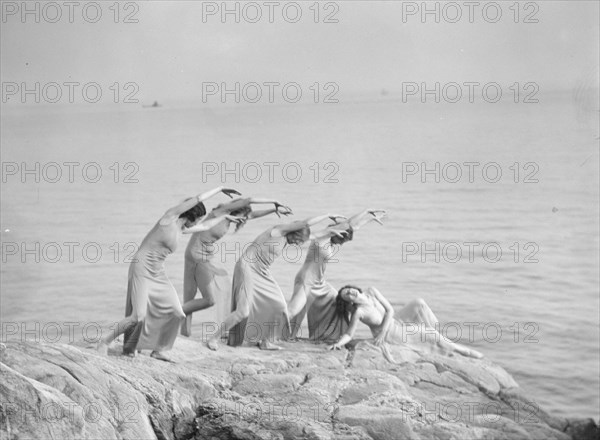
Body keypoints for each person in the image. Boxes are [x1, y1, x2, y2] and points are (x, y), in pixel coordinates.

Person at [97, 186, 240, 361]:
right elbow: (197, 198)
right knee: (138, 315)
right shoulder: (169, 218)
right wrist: (219, 189)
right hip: (142, 267)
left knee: (177, 312)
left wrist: (225, 216)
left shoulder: (182, 229)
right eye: (197, 219)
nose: (197, 223)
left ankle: (159, 349)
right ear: (190, 215)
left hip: (158, 272)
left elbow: (205, 226)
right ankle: (104, 342)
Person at [207, 214, 345, 351]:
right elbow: (305, 222)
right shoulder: (277, 231)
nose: (298, 244)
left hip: (262, 271)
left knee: (279, 306)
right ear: (294, 232)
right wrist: (327, 215)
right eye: (298, 240)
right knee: (243, 311)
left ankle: (266, 341)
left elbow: (314, 235)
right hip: (247, 268)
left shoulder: (288, 238)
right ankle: (213, 338)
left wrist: (331, 231)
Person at [181, 197, 292, 336]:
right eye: (243, 216)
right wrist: (273, 201)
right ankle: (171, 312)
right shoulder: (220, 212)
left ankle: (185, 333)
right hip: (197, 255)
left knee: (192, 297)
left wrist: (273, 210)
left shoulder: (229, 219)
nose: (244, 220)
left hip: (201, 256)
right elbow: (249, 200)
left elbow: (251, 215)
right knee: (209, 298)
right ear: (236, 210)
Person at [287, 210, 387, 341]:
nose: (341, 244)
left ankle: (333, 336)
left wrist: (370, 218)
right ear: (337, 234)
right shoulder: (322, 238)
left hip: (319, 282)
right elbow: (349, 223)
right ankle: (272, 332)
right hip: (306, 280)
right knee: (295, 311)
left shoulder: (329, 242)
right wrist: (366, 211)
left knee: (338, 301)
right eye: (342, 241)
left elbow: (354, 227)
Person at [328, 285, 483, 359]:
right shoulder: (359, 312)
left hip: (394, 321)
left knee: (419, 303)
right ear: (348, 302)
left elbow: (390, 310)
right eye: (347, 295)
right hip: (390, 333)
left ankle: (436, 335)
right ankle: (462, 351)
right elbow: (349, 333)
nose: (350, 293)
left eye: (348, 290)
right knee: (432, 336)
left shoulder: (371, 291)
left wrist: (383, 328)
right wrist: (339, 344)